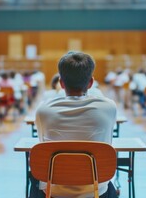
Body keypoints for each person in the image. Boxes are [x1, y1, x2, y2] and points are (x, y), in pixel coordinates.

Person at [33, 51, 118, 198]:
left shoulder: (43, 110)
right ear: (91, 83)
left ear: (61, 83)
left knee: (33, 181)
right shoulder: (109, 107)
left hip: (53, 191)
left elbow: (42, 141)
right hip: (95, 190)